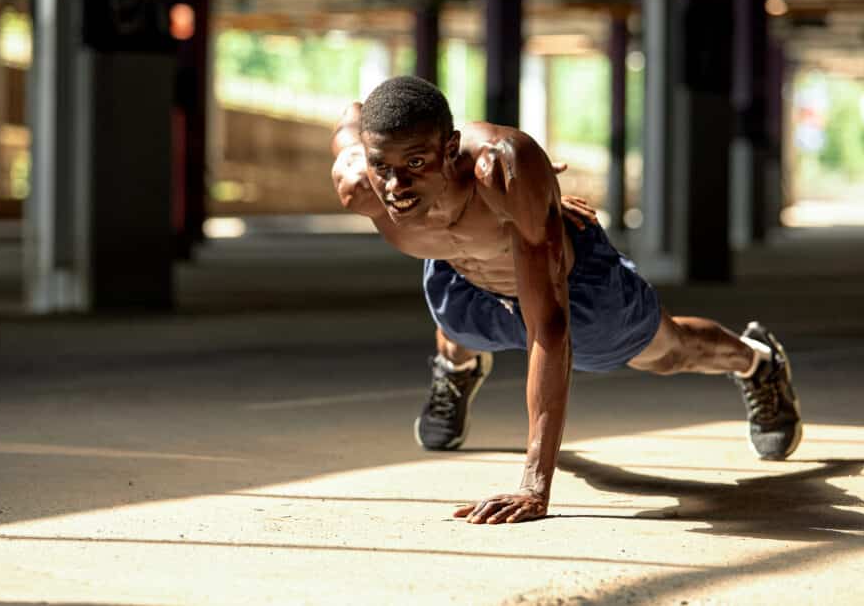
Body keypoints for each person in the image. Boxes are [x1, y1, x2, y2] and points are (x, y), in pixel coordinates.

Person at [330, 76, 801, 525]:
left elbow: (550, 326)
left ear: (451, 149)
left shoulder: (501, 171)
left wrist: (535, 485)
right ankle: (458, 367)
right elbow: (353, 116)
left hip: (575, 286)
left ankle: (758, 361)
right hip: (465, 282)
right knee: (456, 319)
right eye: (382, 167)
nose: (395, 187)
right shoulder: (357, 182)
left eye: (415, 164)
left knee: (667, 352)